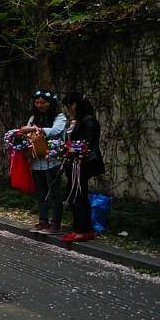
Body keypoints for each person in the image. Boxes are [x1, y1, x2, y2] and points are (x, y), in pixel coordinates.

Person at [16, 89, 68, 234]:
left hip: (53, 160)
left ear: (51, 103)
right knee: (40, 192)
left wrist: (34, 129)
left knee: (54, 193)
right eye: (37, 102)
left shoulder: (60, 117)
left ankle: (56, 223)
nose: (40, 105)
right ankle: (42, 221)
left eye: (43, 102)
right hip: (36, 160)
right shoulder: (33, 118)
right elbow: (27, 133)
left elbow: (55, 130)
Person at [60, 92, 104, 243]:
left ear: (74, 105)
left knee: (77, 195)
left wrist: (70, 150)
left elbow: (86, 144)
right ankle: (84, 228)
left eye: (68, 106)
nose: (68, 110)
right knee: (79, 194)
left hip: (82, 163)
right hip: (76, 162)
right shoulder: (80, 121)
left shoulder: (88, 121)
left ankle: (81, 230)